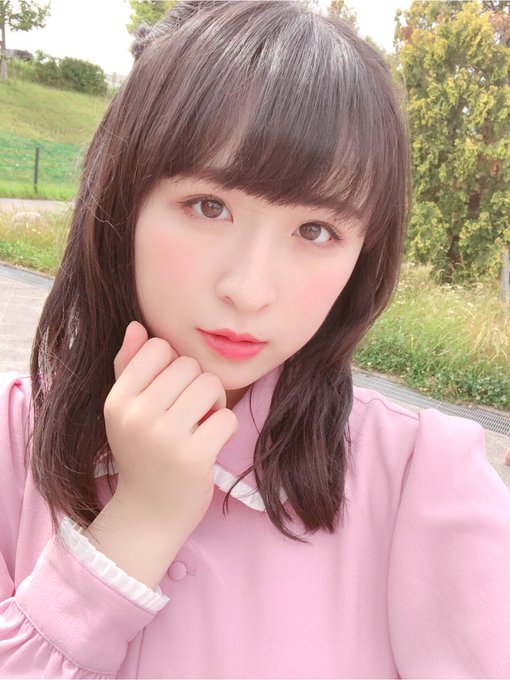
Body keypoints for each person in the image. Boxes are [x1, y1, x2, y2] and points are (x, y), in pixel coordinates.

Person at [1, 1, 509, 677]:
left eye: (315, 231)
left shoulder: (423, 481)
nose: (249, 289)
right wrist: (138, 524)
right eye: (209, 206)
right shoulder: (14, 439)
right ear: (123, 201)